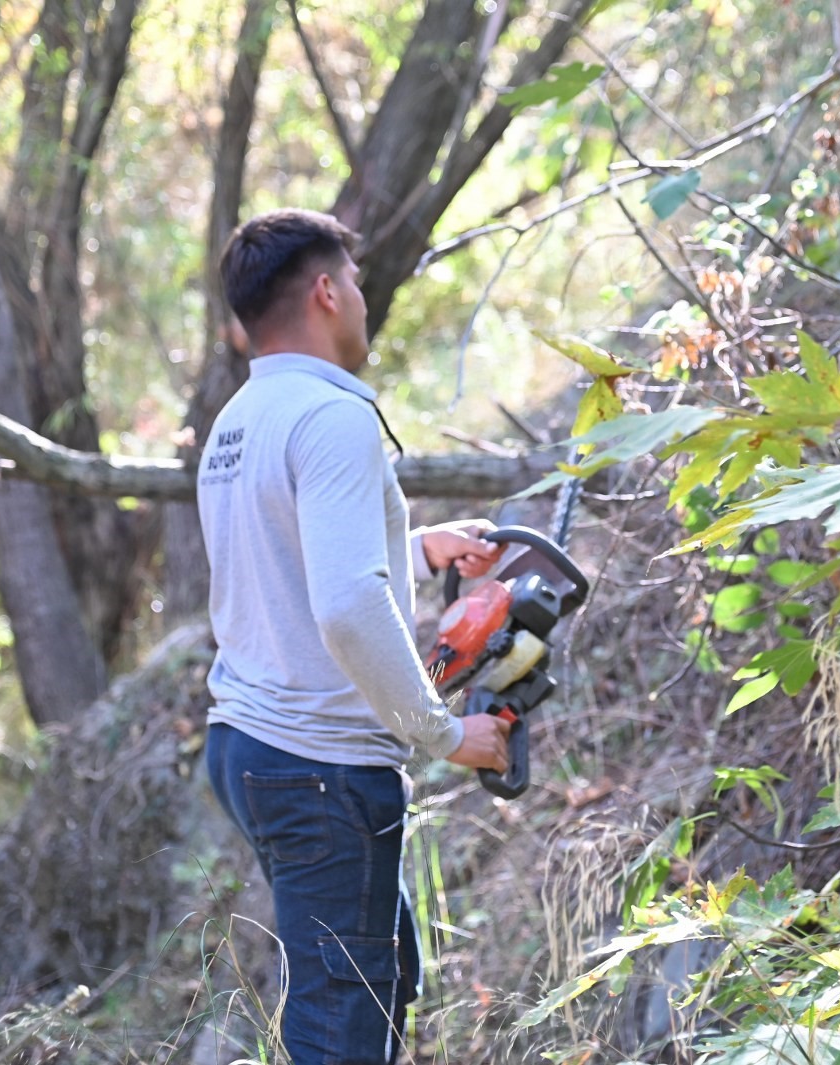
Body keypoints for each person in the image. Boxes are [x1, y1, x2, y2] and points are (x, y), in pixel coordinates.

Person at [196, 207, 511, 1065]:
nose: (366, 302)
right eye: (359, 283)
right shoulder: (332, 417)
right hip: (317, 766)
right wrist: (446, 735)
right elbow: (341, 607)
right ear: (328, 291)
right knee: (343, 1013)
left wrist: (411, 550)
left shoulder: (238, 423)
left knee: (382, 972)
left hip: (249, 745)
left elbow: (285, 570)